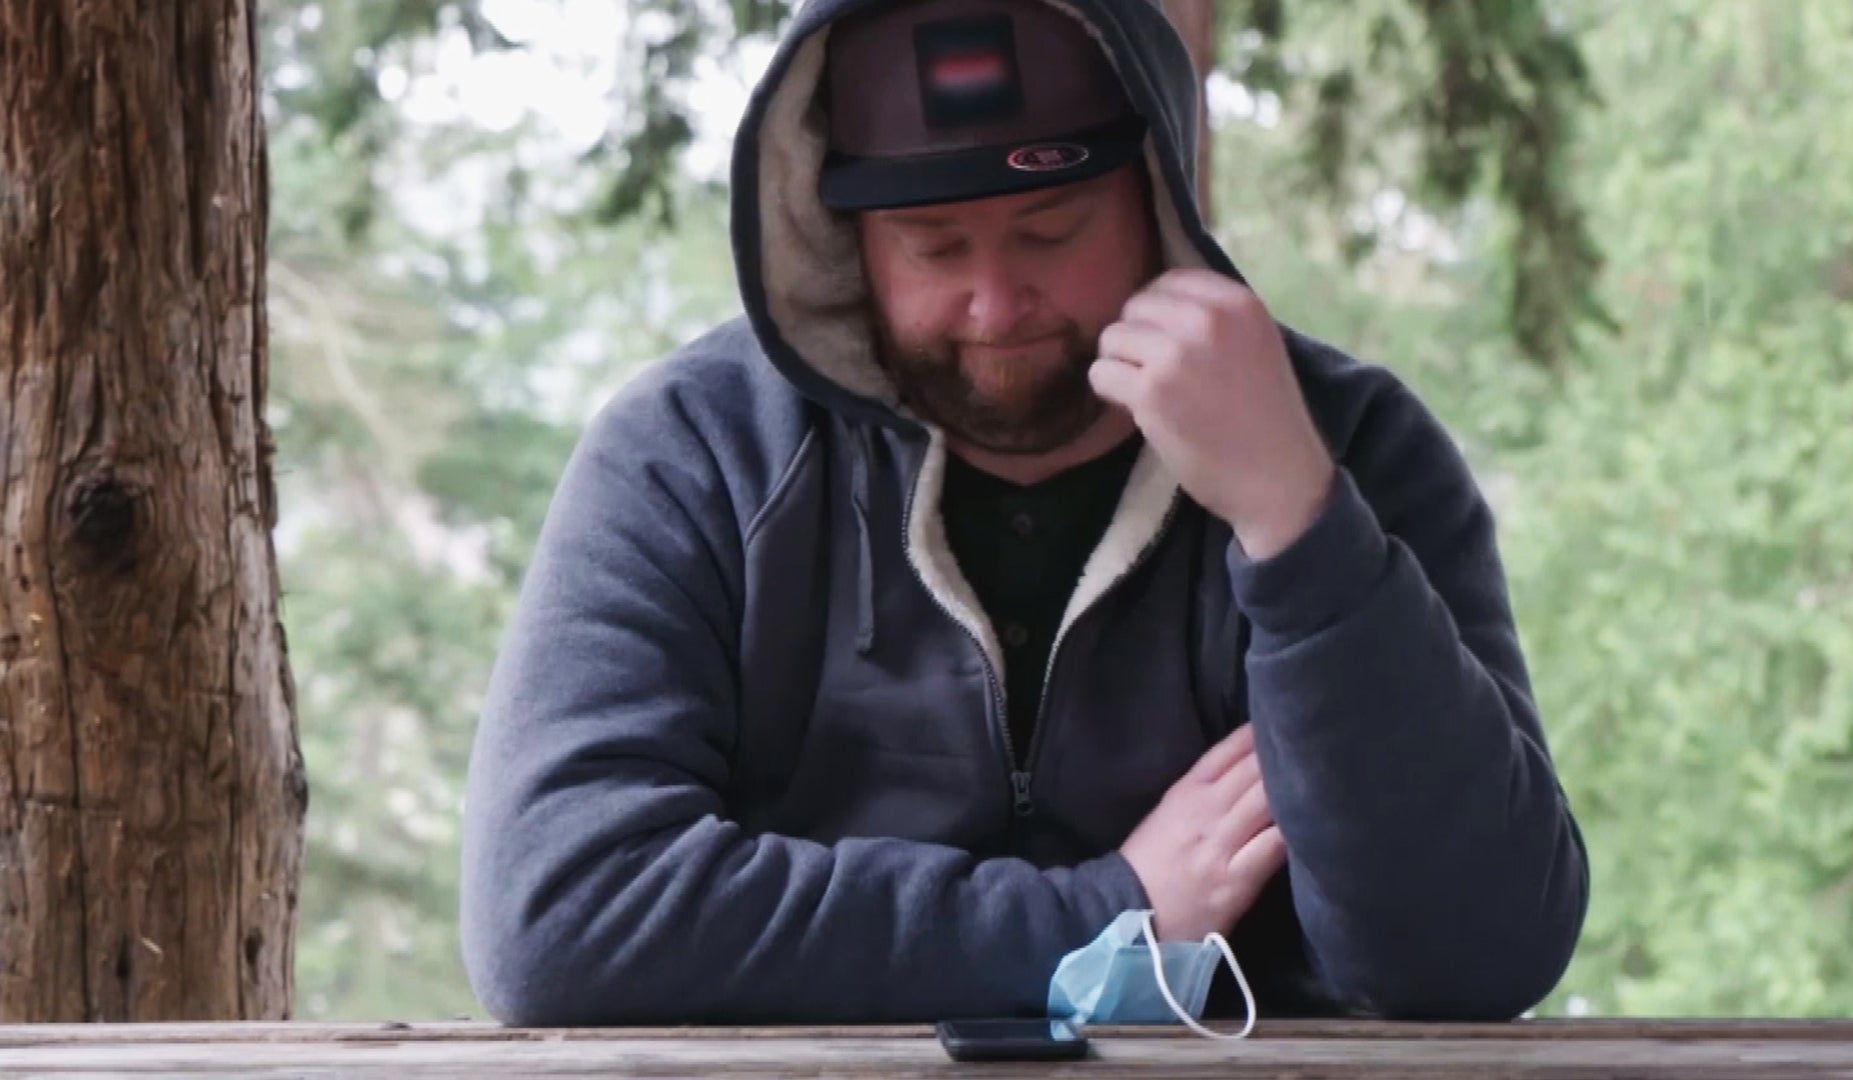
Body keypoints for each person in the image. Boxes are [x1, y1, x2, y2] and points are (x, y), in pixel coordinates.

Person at [457, 0, 1589, 1027]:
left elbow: (1475, 956)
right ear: (845, 240)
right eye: (934, 246)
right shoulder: (699, 454)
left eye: (1053, 230)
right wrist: (1111, 915)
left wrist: (1297, 524)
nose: (997, 306)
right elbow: (557, 918)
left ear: (1155, 197)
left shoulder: (1347, 447)